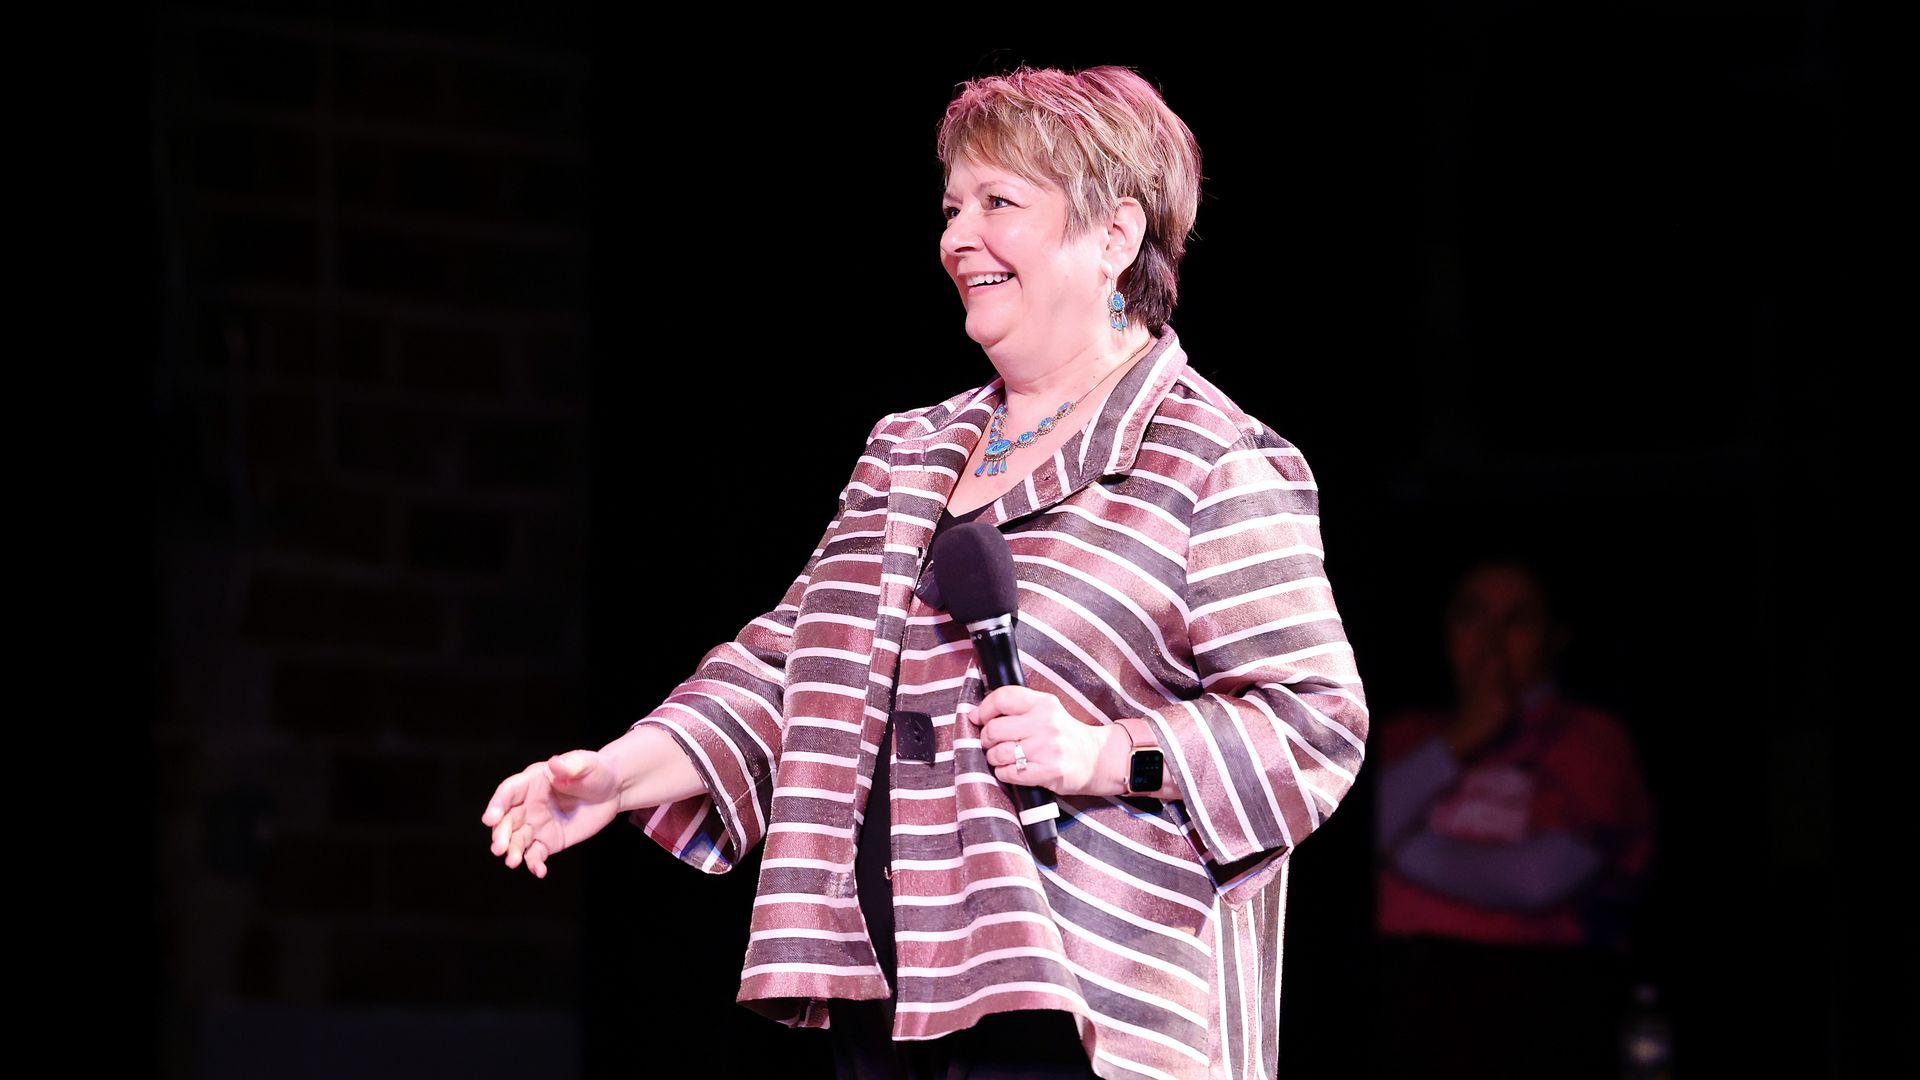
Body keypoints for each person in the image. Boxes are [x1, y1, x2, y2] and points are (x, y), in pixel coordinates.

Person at [482, 64, 1369, 1079]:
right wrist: (618, 774)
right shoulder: (910, 452)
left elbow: (1312, 726)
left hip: (1089, 1015)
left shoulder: (1211, 459)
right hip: (890, 998)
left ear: (1116, 236)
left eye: (1000, 204)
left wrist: (1103, 752)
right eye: (953, 207)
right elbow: (791, 670)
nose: (958, 237)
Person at [1371, 554, 1656, 1079]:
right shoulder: (1403, 736)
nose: (1492, 638)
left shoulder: (1589, 739)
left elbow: (1537, 880)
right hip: (1398, 1003)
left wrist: (1394, 850)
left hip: (1542, 1006)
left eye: (1518, 619)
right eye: (1472, 615)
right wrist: (1460, 740)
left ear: (1555, 636)